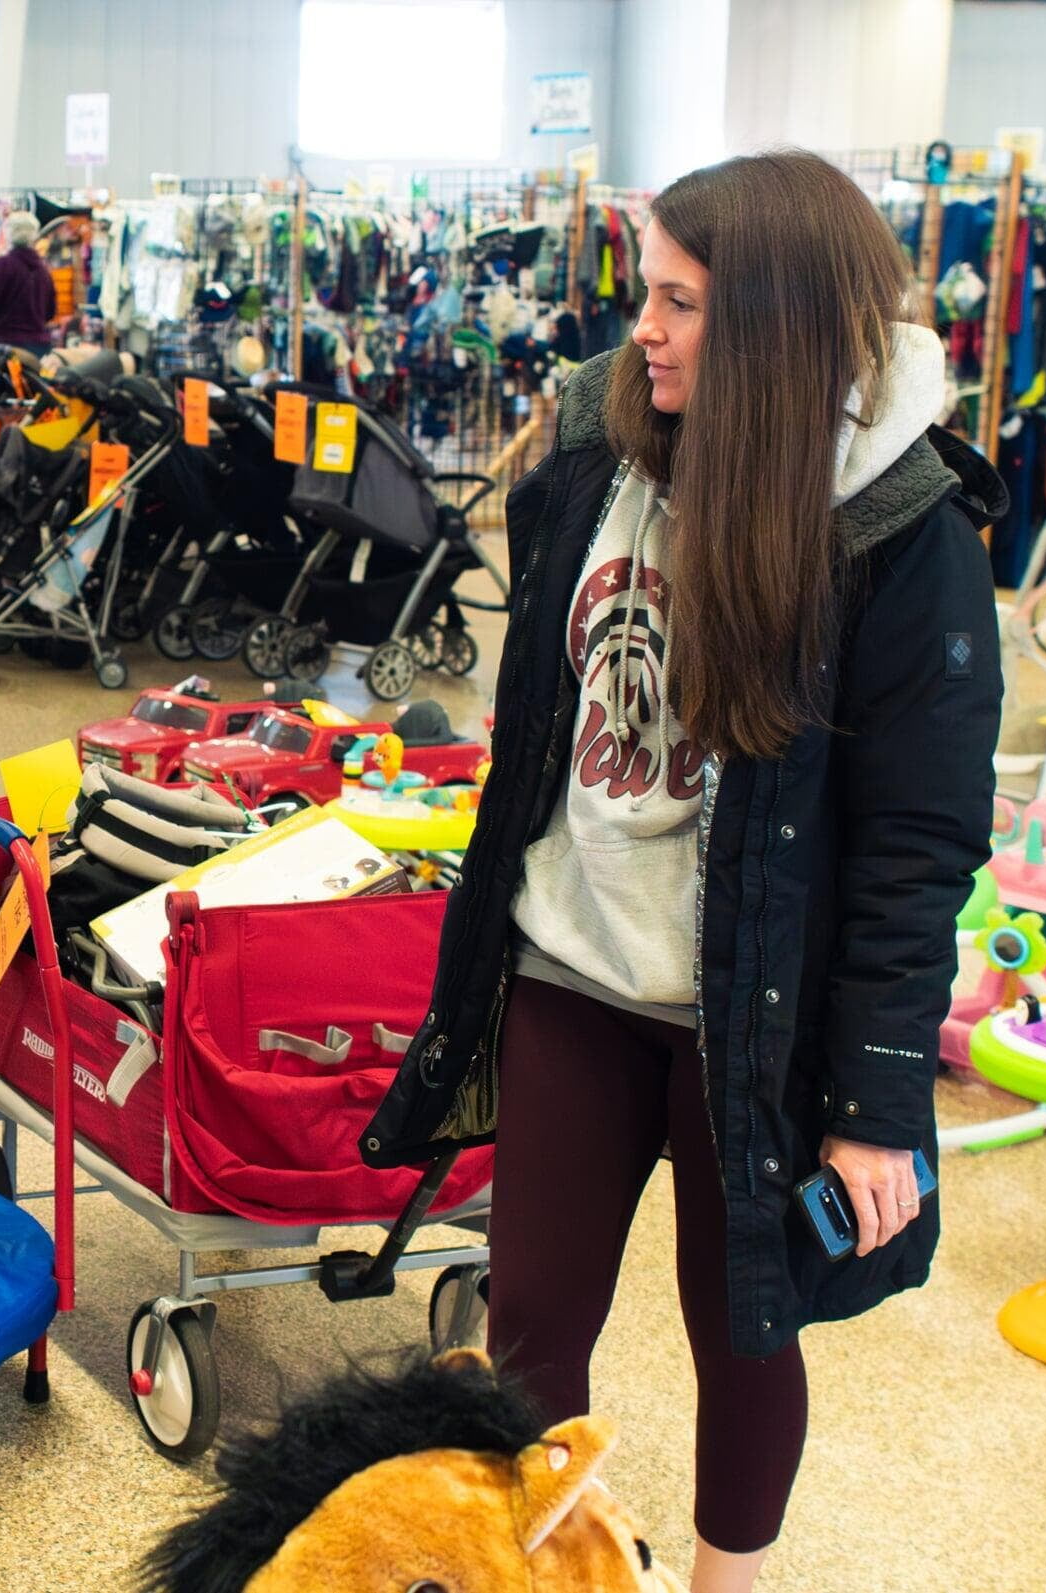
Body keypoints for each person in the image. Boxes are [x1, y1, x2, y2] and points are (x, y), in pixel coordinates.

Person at [362, 151, 1003, 1592]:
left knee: (746, 1330)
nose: (640, 329)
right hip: (573, 971)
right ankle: (534, 1567)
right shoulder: (600, 448)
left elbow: (917, 849)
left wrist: (877, 1098)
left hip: (750, 1021)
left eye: (680, 302)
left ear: (772, 326)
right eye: (643, 291)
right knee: (528, 1322)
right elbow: (544, 708)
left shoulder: (902, 536)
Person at [0, 211, 56, 356]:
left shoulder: (3, 265)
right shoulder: (43, 270)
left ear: (8, 234)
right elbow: (50, 311)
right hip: (38, 348)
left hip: (4, 347)